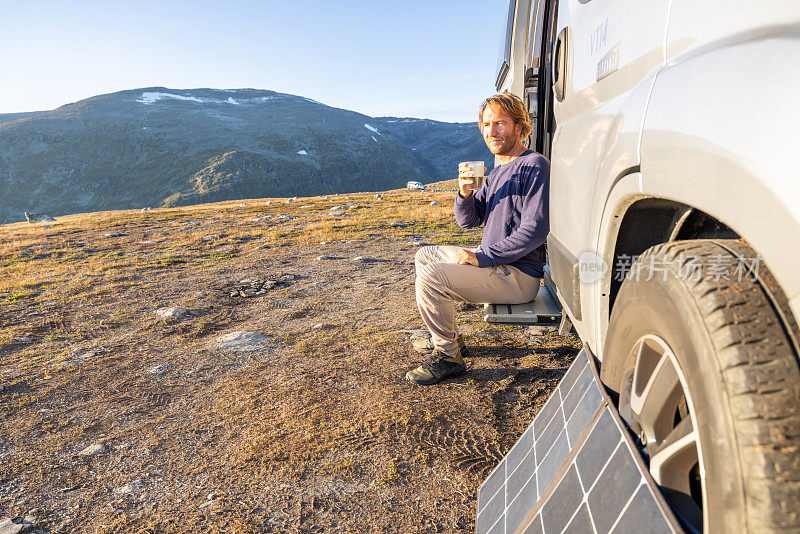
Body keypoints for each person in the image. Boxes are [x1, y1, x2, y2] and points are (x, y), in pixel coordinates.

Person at [405, 92, 550, 385]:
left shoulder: (534, 165)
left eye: (500, 123)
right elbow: (467, 220)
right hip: (497, 265)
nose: (491, 131)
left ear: (520, 127)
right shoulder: (497, 170)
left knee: (432, 277)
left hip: (517, 275)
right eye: (486, 124)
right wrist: (465, 193)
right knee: (426, 255)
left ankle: (448, 356)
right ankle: (452, 339)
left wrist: (482, 257)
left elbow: (535, 229)